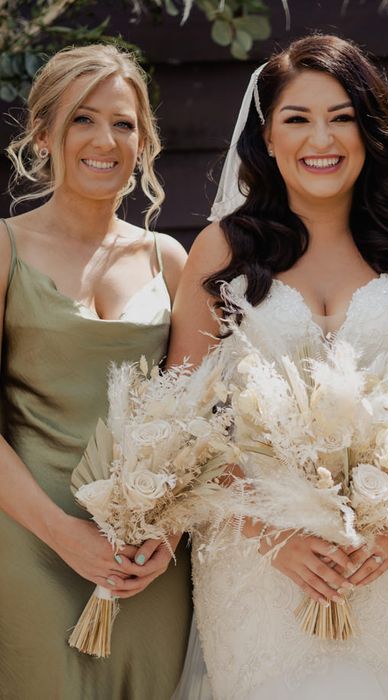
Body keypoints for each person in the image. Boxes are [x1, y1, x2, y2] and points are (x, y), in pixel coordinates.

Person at [167, 35, 388, 700]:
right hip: (256, 556)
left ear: (368, 132)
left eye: (342, 117)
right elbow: (181, 414)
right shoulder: (221, 250)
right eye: (298, 119)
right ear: (267, 137)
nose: (323, 139)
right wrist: (267, 533)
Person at [0, 44, 190, 699]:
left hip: (149, 565)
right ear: (43, 135)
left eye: (124, 123)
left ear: (144, 141)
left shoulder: (170, 259)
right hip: (30, 543)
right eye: (83, 119)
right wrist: (65, 537)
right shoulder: (6, 250)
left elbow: (199, 417)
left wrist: (166, 535)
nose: (105, 140)